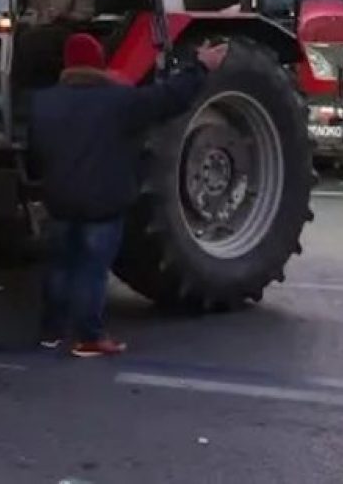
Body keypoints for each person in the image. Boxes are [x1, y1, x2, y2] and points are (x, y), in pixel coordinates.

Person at [29, 33, 229, 357]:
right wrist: (200, 67)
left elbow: (36, 152)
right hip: (103, 203)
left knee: (60, 267)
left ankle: (51, 331)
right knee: (92, 270)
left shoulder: (43, 104)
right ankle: (89, 337)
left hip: (60, 200)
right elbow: (170, 97)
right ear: (99, 62)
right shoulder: (120, 101)